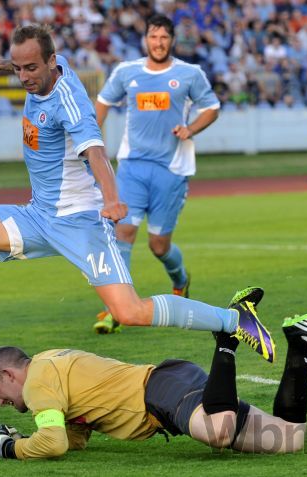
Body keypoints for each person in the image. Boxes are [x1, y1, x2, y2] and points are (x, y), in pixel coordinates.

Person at [0, 25, 272, 368]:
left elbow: (96, 152)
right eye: (20, 67)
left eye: (31, 68)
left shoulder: (70, 104)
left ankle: (234, 319)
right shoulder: (45, 72)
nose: (24, 76)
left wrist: (112, 200)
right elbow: (26, 66)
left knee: (128, 312)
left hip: (80, 221)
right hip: (38, 215)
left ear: (51, 62)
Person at [0, 301, 307, 460]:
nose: (0, 401)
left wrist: (11, 449)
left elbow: (55, 443)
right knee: (291, 438)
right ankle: (300, 342)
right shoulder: (49, 363)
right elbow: (74, 439)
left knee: (218, 431)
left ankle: (226, 337)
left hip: (160, 391)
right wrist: (27, 437)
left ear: (10, 374)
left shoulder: (37, 384)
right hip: (171, 385)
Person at [93, 14, 220, 334]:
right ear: (145, 39)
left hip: (171, 171)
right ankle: (115, 307)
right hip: (132, 167)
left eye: (164, 37)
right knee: (123, 233)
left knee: (159, 246)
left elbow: (212, 107)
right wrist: (90, 139)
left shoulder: (190, 74)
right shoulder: (127, 72)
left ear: (172, 40)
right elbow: (103, 102)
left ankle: (181, 280)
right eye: (153, 37)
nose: (158, 43)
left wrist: (190, 128)